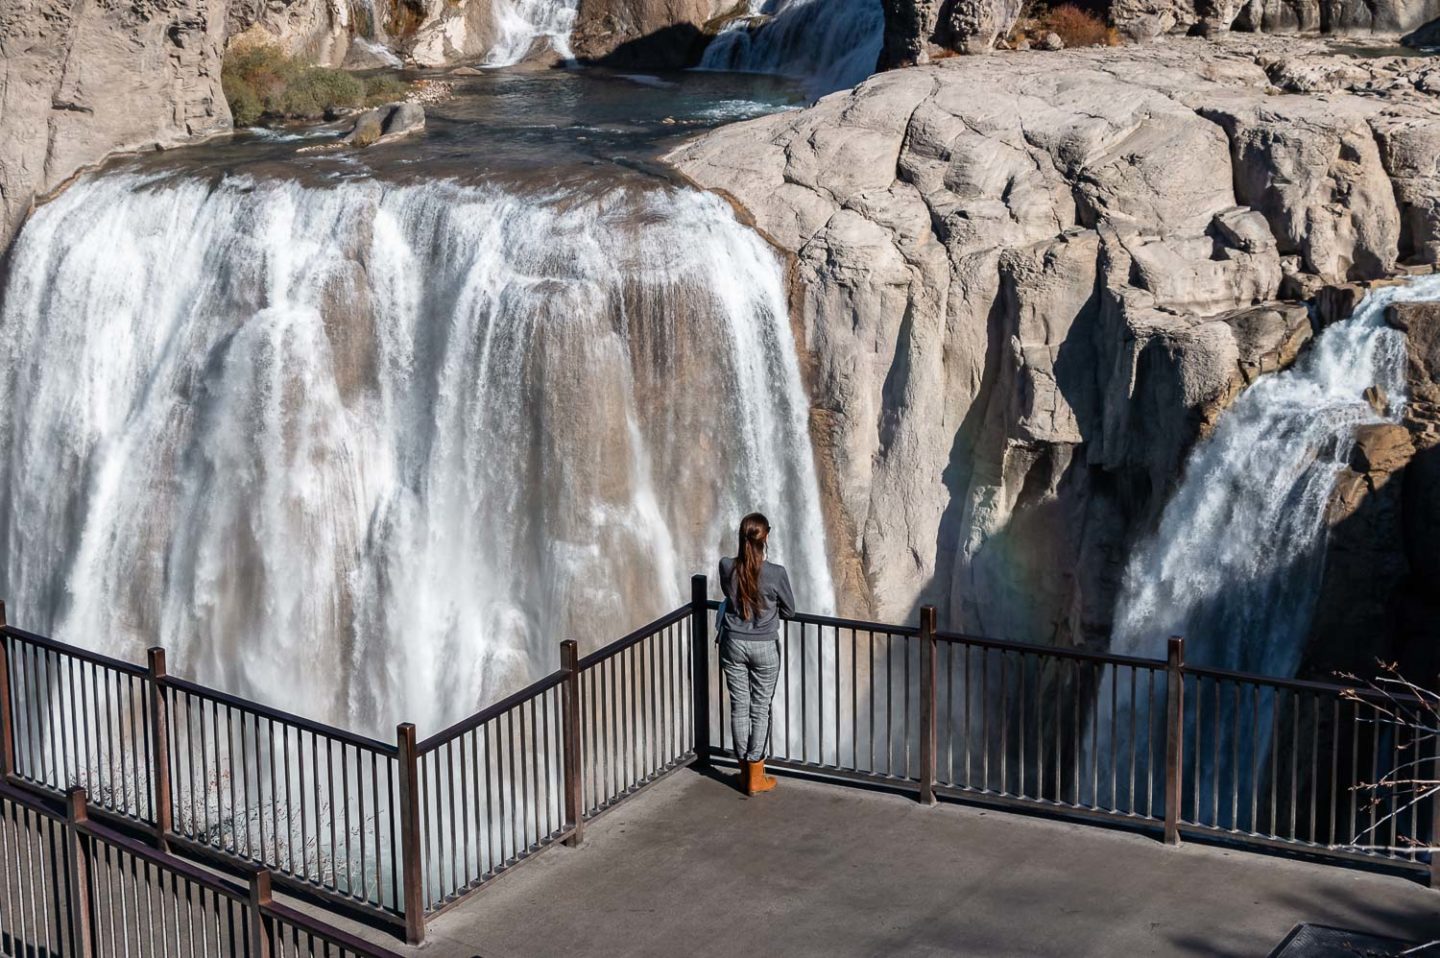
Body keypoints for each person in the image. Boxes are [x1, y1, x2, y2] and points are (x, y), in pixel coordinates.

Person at [718, 512, 795, 796]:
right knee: (760, 709)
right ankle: (755, 775)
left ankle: (743, 772)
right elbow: (790, 610)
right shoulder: (776, 573)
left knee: (740, 706)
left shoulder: (727, 566)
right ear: (766, 538)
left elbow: (729, 592)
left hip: (733, 643)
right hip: (764, 645)